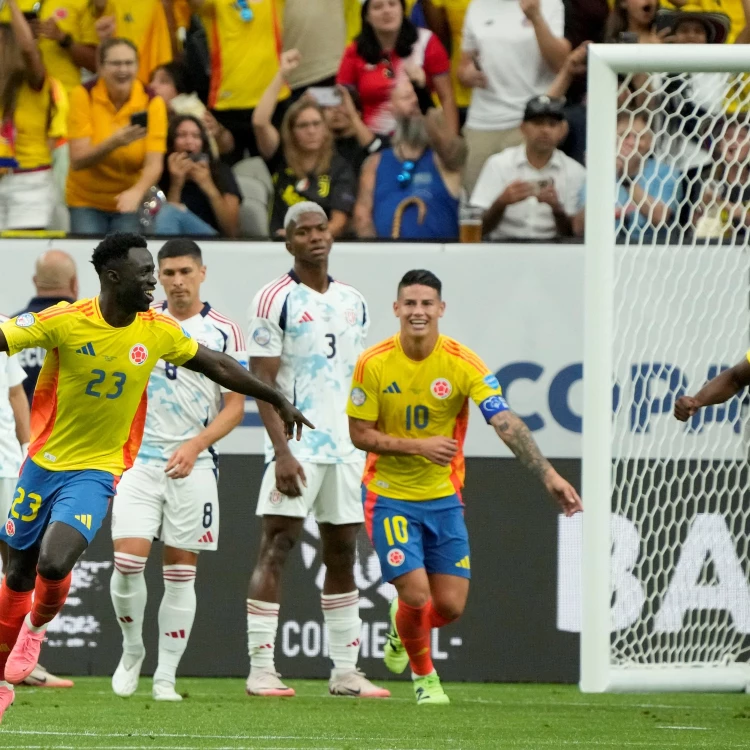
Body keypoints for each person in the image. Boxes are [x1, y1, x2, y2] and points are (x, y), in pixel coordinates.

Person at [0, 232, 311, 722]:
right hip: (41, 465)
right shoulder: (67, 319)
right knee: (16, 573)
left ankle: (35, 630)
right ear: (113, 277)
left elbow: (216, 364)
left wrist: (273, 396)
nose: (154, 281)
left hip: (98, 470)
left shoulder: (156, 329)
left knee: (54, 564)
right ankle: (2, 681)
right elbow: (7, 335)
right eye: (146, 273)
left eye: (155, 272)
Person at [347, 269, 582, 705]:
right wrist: (418, 446)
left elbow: (505, 421)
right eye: (410, 304)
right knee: (415, 593)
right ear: (396, 309)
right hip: (389, 495)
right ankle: (426, 680)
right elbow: (359, 434)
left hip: (443, 498)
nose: (419, 312)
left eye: (427, 304)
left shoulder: (462, 362)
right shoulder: (373, 362)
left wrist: (548, 474)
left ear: (441, 309)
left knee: (449, 607)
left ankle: (404, 626)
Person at [245, 202, 388, 699]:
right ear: (288, 242)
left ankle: (345, 672)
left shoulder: (355, 301)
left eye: (321, 228)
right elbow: (261, 383)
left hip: (347, 450)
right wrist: (282, 451)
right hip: (299, 447)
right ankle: (261, 670)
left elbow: (358, 380)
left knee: (343, 552)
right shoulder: (273, 299)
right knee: (278, 545)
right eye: (302, 232)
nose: (314, 237)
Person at [110, 238, 246, 702]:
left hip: (195, 463)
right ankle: (132, 650)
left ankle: (166, 676)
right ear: (158, 277)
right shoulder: (142, 321)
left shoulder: (224, 330)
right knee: (127, 564)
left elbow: (234, 407)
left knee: (180, 574)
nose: (177, 281)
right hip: (139, 462)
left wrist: (196, 444)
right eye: (168, 273)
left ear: (202, 273)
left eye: (186, 272)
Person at [458, 0, 570, 194]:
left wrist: (536, 17)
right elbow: (463, 65)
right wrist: (467, 74)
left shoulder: (550, 4)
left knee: (528, 205)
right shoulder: (477, 5)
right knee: (475, 203)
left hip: (530, 121)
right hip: (482, 122)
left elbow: (560, 63)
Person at [66, 38, 167, 235]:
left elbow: (154, 163)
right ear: (101, 67)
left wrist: (137, 192)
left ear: (137, 66)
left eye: (129, 63)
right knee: (89, 259)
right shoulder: (83, 95)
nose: (123, 70)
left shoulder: (152, 101)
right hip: (86, 200)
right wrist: (114, 142)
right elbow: (77, 160)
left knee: (124, 262)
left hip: (129, 199)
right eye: (116, 63)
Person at [254, 51, 357, 239]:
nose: (311, 130)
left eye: (316, 124)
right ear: (291, 131)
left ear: (326, 129)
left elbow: (339, 222)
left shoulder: (339, 167)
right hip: (277, 244)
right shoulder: (280, 156)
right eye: (303, 125)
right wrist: (282, 74)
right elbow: (260, 122)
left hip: (319, 246)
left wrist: (305, 238)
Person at [355, 72, 466, 239]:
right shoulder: (375, 162)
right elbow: (362, 217)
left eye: (419, 98)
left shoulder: (444, 159)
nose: (415, 102)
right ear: (391, 108)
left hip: (440, 256)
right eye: (407, 97)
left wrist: (424, 94)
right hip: (389, 255)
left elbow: (447, 143)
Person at [471, 95, 585, 240]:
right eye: (538, 123)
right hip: (502, 246)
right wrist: (501, 202)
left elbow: (573, 234)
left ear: (562, 130)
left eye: (552, 124)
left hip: (553, 249)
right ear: (523, 128)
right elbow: (479, 229)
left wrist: (557, 209)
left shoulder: (576, 172)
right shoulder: (498, 164)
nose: (545, 130)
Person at [190, 0, 290, 165]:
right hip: (229, 104)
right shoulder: (215, 4)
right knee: (231, 178)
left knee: (279, 171)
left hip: (273, 100)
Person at [337, 0, 457, 137]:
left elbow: (446, 97)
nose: (386, 11)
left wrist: (450, 142)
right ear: (367, 16)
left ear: (402, 9)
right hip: (371, 141)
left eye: (392, 4)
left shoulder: (426, 42)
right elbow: (343, 101)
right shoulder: (354, 52)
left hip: (422, 136)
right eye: (377, 7)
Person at [0, 0, 68, 231]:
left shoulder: (34, 84)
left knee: (22, 255)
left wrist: (11, 4)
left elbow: (29, 48)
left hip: (29, 183)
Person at [154, 115, 242, 237]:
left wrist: (208, 185)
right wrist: (176, 184)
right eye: (182, 135)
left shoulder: (221, 171)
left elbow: (232, 231)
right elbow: (165, 222)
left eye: (196, 136)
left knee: (171, 211)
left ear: (203, 143)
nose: (189, 142)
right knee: (171, 211)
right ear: (172, 143)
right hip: (178, 243)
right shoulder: (161, 172)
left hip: (215, 242)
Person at [14, 251, 79, 406]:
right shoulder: (90, 328)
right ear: (74, 284)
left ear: (35, 281)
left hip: (20, 428)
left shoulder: (9, 330)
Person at [148, 63, 235, 157]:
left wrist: (218, 132)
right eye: (152, 80)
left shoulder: (194, 110)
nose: (152, 86)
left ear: (181, 89)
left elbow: (226, 148)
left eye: (163, 81)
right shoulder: (146, 114)